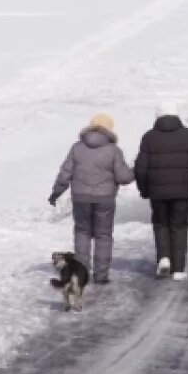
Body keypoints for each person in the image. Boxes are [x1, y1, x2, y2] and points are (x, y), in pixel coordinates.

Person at [49, 113, 135, 285]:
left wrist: (56, 193)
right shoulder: (113, 150)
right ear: (109, 129)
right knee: (103, 235)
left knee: (82, 232)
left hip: (80, 197)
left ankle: (81, 275)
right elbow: (124, 177)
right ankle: (101, 276)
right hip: (105, 198)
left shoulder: (77, 148)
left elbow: (65, 174)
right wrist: (136, 171)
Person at [135, 102, 188, 281]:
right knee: (179, 226)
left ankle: (164, 258)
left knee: (161, 224)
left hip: (157, 192)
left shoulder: (149, 137)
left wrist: (144, 190)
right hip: (182, 192)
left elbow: (140, 168)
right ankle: (178, 269)